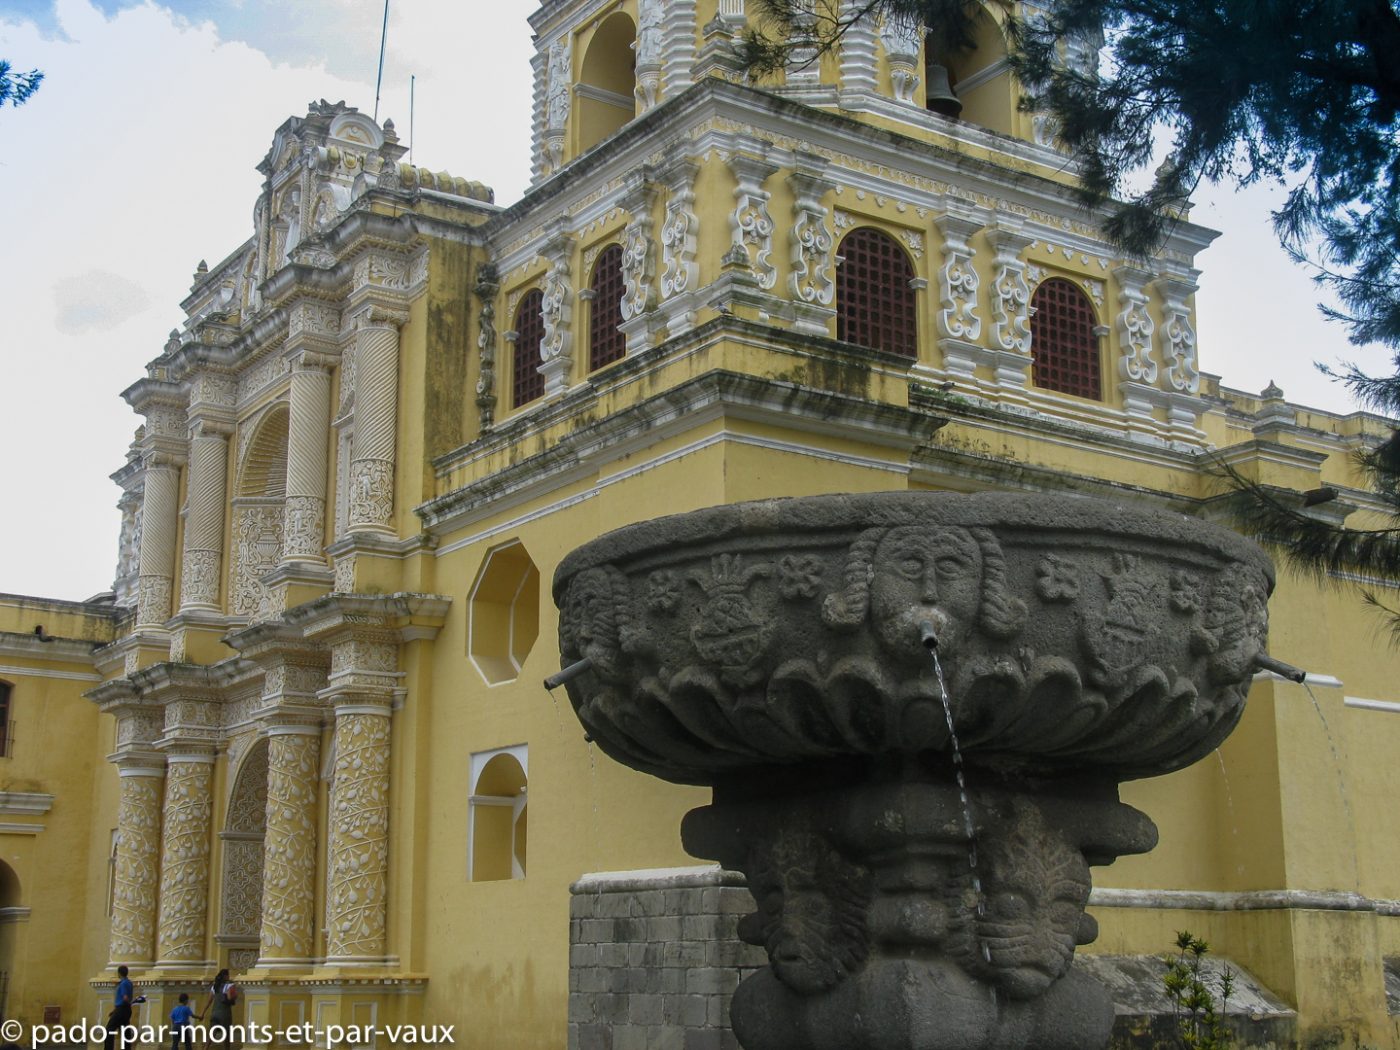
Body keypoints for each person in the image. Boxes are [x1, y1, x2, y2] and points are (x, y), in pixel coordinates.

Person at [201, 969, 238, 1050]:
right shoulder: (229, 985)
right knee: (226, 1035)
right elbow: (229, 997)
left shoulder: (214, 986)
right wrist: (234, 997)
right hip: (224, 1014)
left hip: (214, 1013)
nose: (229, 976)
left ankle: (205, 1048)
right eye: (228, 975)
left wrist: (202, 1014)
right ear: (225, 976)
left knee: (211, 1034)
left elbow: (209, 1002)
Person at [102, 965, 134, 1050]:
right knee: (125, 1031)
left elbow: (125, 997)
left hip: (122, 1009)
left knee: (109, 1029)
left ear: (119, 973)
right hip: (126, 1010)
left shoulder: (123, 983)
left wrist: (121, 1007)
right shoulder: (129, 983)